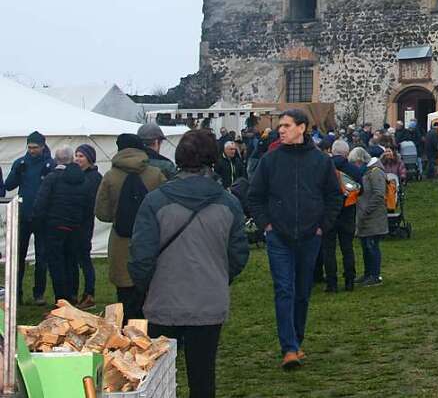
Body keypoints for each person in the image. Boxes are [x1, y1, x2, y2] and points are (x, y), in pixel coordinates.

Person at [129, 129, 249, 398]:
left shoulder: (155, 201)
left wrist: (148, 286)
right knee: (202, 376)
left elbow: (141, 257)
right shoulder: (229, 203)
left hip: (164, 299)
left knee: (157, 379)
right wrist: (216, 276)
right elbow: (238, 254)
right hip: (206, 300)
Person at [249, 109, 342, 368]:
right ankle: (288, 348)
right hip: (278, 236)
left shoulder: (321, 161)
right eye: (280, 126)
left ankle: (296, 341)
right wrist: (266, 224)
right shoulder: (270, 160)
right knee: (284, 290)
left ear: (302, 128)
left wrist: (322, 226)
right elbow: (255, 196)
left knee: (302, 291)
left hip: (310, 236)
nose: (281, 130)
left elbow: (334, 196)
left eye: (287, 125)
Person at [95, 133, 165, 319]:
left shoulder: (110, 176)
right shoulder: (155, 174)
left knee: (125, 293)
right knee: (150, 290)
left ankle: (128, 334)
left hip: (121, 241)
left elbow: (102, 213)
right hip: (151, 241)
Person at [33, 145, 91, 305]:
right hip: (76, 227)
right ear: (72, 159)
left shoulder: (52, 179)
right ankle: (72, 294)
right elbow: (88, 205)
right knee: (71, 261)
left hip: (55, 226)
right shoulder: (83, 179)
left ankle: (61, 298)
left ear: (56, 160)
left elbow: (41, 203)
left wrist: (39, 223)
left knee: (56, 263)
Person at [4, 131, 54, 304]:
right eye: (30, 147)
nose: (32, 151)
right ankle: (16, 293)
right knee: (18, 257)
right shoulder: (21, 163)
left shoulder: (50, 164)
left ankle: (38, 294)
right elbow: (9, 185)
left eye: (35, 147)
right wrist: (17, 171)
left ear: (42, 146)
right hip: (23, 216)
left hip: (42, 218)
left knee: (42, 258)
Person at [324, 140, 363, 292]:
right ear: (347, 153)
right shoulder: (353, 169)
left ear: (332, 151)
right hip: (347, 212)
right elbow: (361, 189)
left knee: (329, 249)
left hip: (329, 213)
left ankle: (331, 283)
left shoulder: (324, 168)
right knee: (347, 248)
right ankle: (349, 281)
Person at [70, 144, 102, 308]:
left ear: (89, 159)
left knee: (84, 259)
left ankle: (89, 294)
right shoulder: (78, 175)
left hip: (84, 223)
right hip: (74, 222)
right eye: (76, 155)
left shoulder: (94, 178)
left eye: (81, 156)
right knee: (74, 259)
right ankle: (73, 294)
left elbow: (90, 201)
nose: (77, 159)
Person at [349, 146, 386, 285]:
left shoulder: (376, 172)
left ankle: (375, 275)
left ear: (361, 160)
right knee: (366, 247)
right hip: (365, 216)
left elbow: (378, 194)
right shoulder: (367, 172)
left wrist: (366, 210)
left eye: (355, 163)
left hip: (373, 217)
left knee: (372, 247)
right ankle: (367, 273)